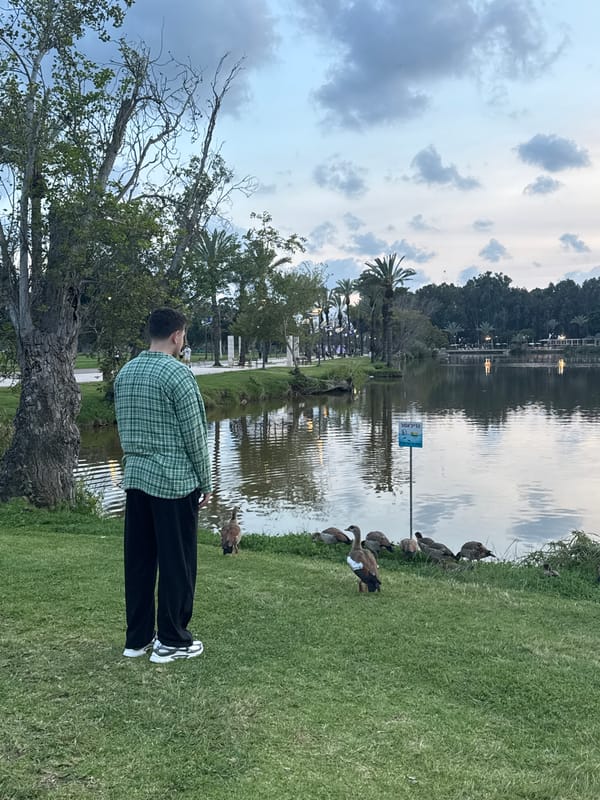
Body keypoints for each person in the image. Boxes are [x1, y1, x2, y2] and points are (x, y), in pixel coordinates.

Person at [114, 307, 212, 664]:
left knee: (139, 561)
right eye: (184, 335)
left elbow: (123, 428)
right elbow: (196, 435)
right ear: (177, 335)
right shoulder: (178, 374)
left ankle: (137, 639)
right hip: (173, 483)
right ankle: (171, 640)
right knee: (177, 562)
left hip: (136, 479)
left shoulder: (126, 373)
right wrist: (206, 481)